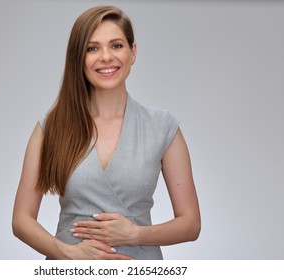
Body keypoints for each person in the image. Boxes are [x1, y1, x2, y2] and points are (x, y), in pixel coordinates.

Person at [12, 5, 200, 260]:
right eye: (93, 48)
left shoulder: (163, 126)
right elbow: (21, 220)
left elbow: (190, 224)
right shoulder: (52, 126)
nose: (106, 57)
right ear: (79, 58)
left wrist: (135, 234)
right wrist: (69, 254)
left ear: (132, 52)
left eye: (116, 46)